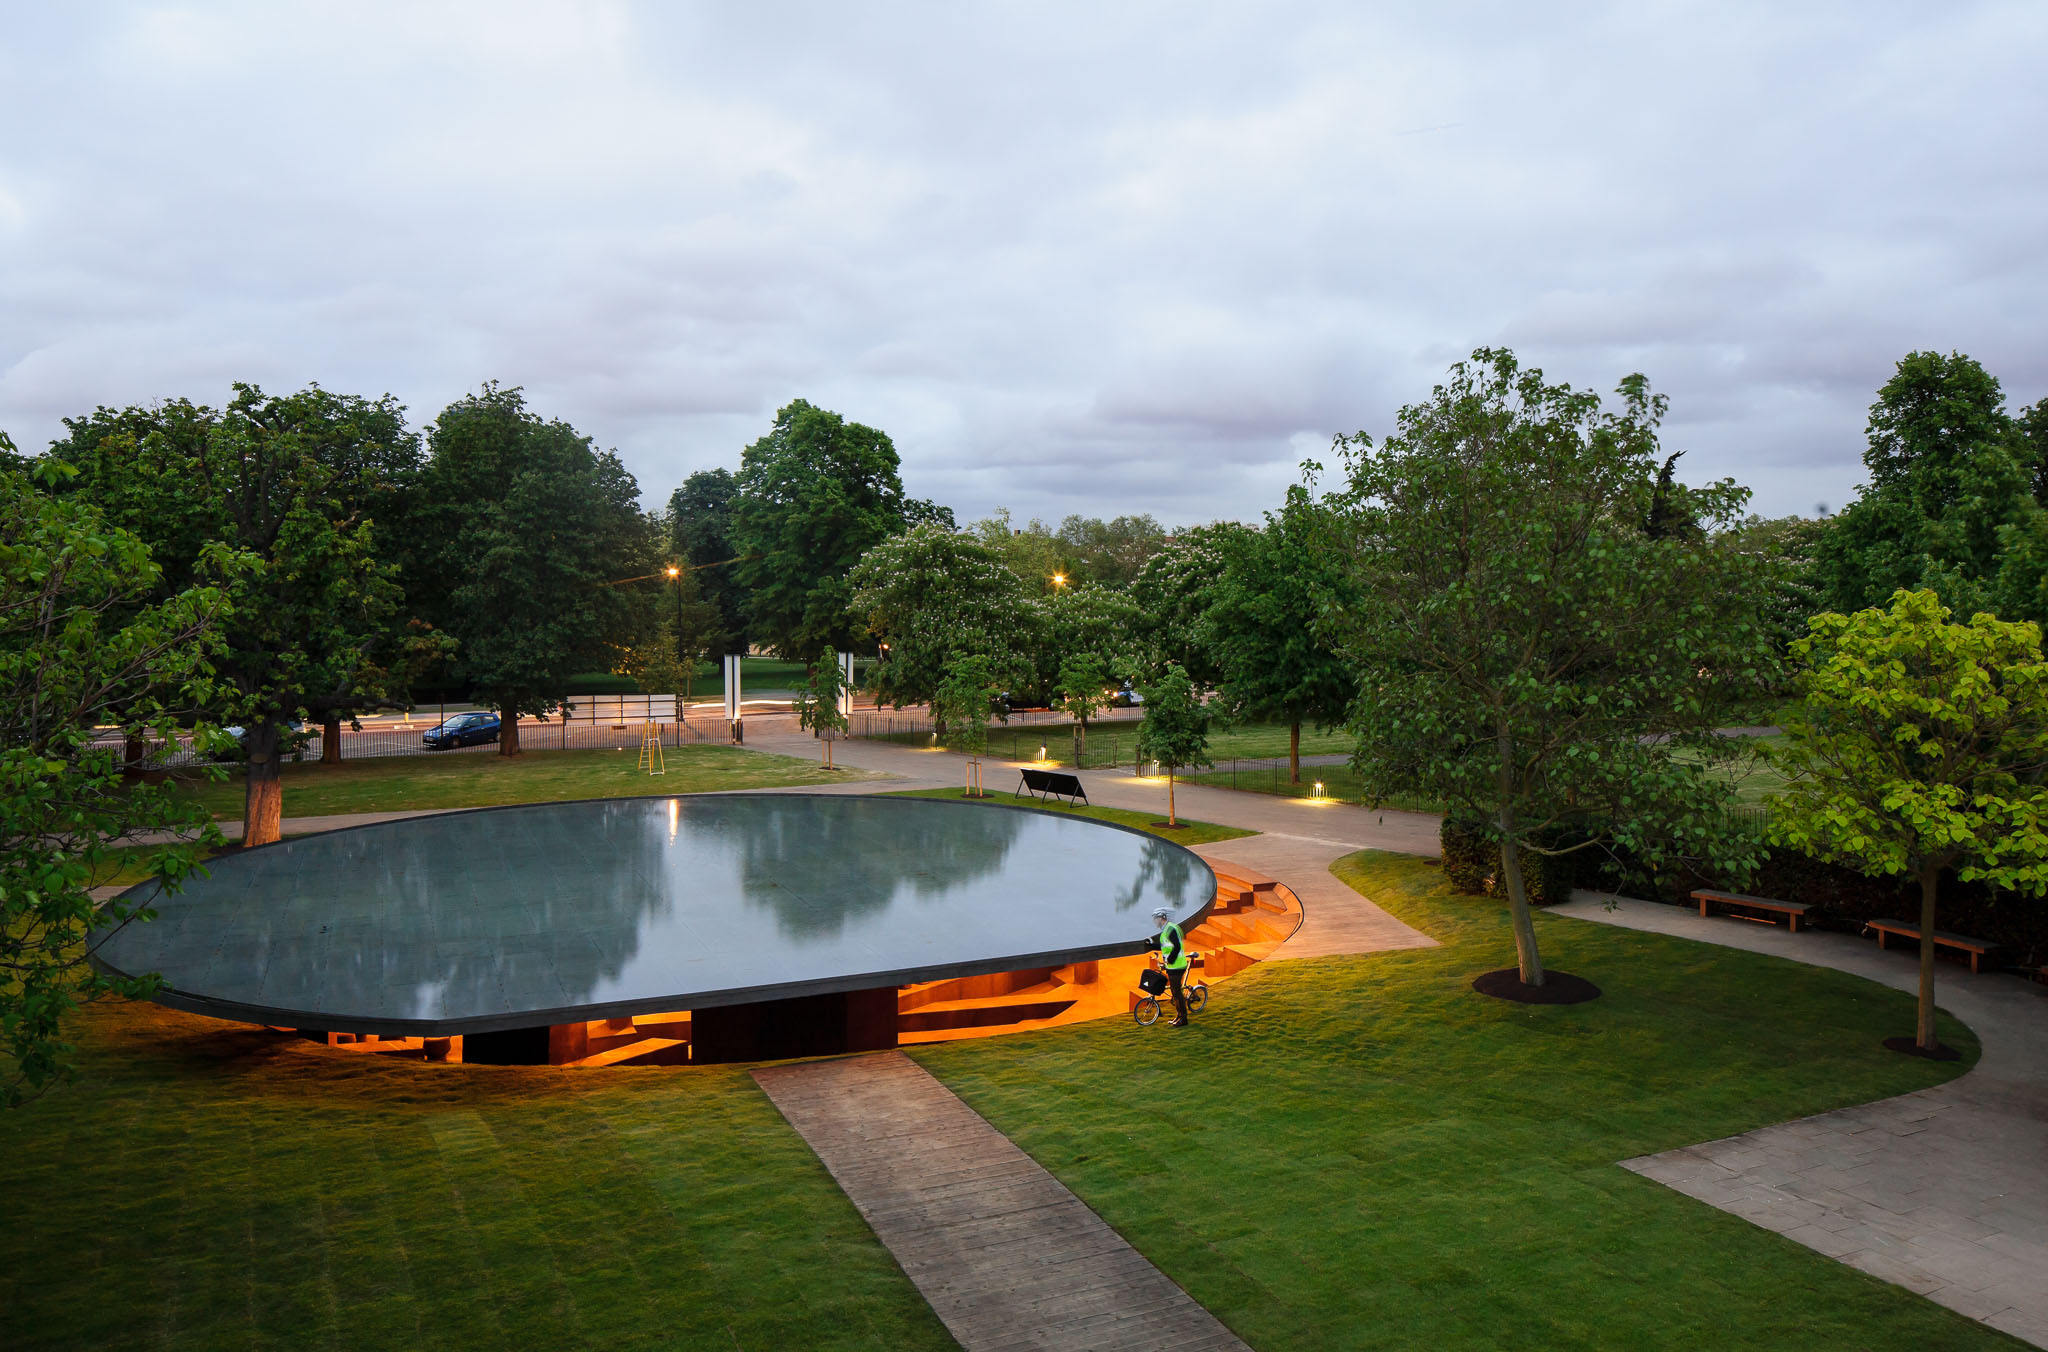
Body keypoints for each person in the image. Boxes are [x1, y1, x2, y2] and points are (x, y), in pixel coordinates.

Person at [1146, 905, 1192, 1027]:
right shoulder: (1166, 930)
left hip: (1176, 966)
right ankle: (1179, 1016)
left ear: (1161, 918)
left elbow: (1176, 946)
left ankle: (1183, 1019)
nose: (1154, 922)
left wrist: (1170, 960)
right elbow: (1164, 946)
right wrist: (1151, 945)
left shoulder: (1170, 929)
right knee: (1175, 992)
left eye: (1155, 919)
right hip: (1173, 966)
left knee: (1177, 993)